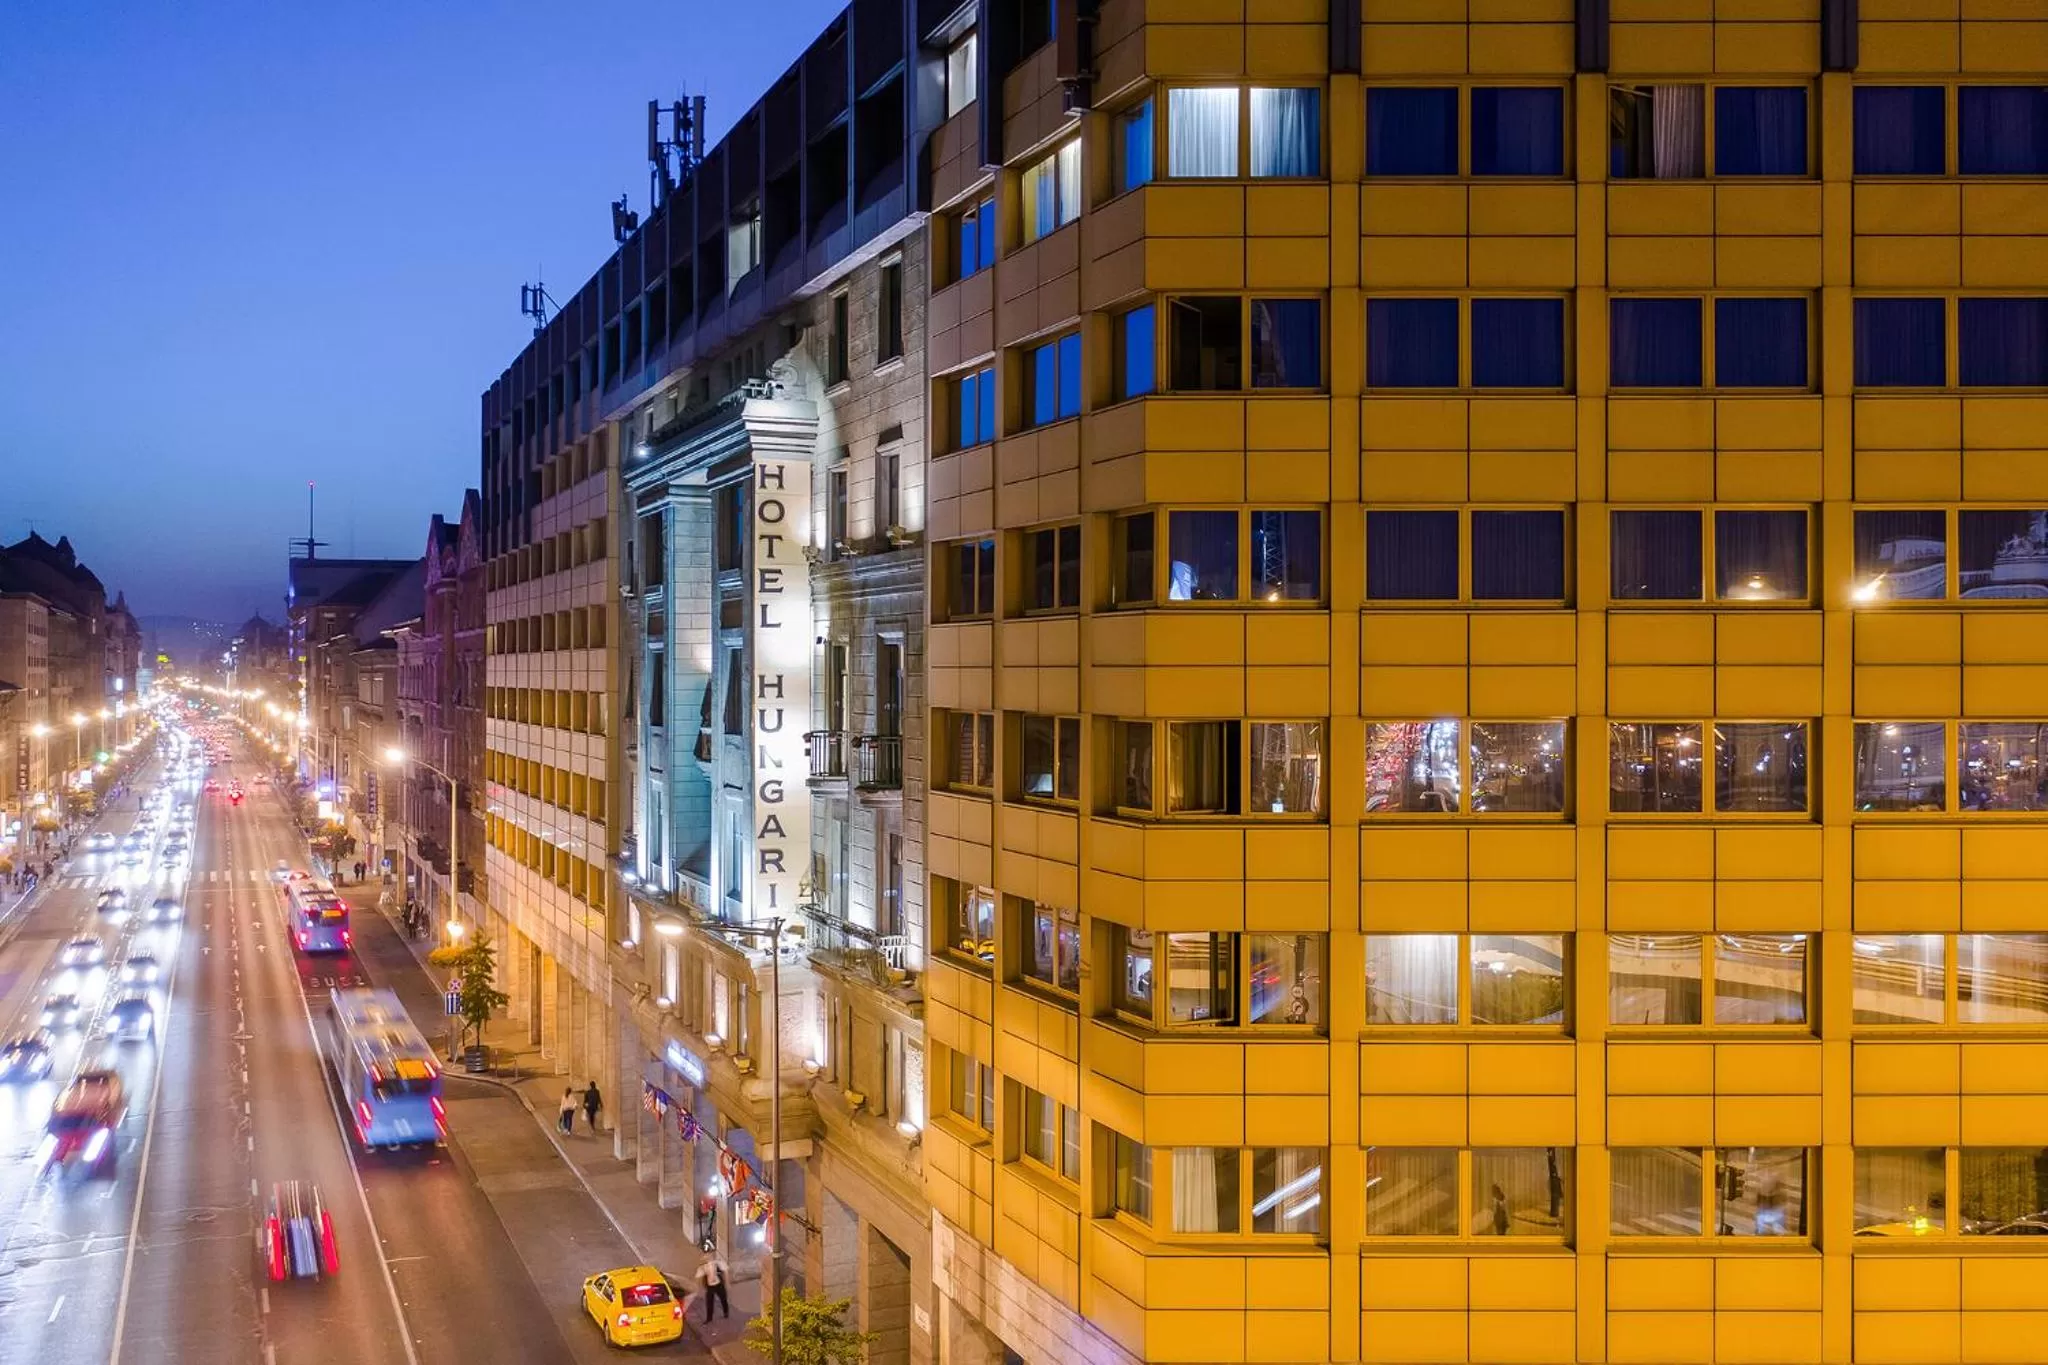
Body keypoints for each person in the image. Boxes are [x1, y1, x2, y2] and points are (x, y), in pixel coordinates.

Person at [692, 1255, 730, 1322]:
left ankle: (726, 1312)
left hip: (719, 1285)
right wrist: (696, 1288)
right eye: (704, 1256)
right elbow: (697, 1278)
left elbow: (726, 1271)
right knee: (709, 1302)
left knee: (723, 1299)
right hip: (710, 1287)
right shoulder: (702, 1267)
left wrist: (727, 1283)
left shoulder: (717, 1263)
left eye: (707, 1256)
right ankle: (709, 1318)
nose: (706, 1257)